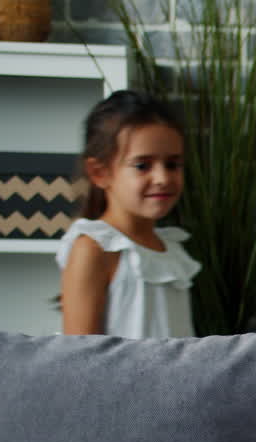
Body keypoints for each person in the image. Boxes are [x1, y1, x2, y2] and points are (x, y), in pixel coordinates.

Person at [57, 90, 200, 338]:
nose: (162, 178)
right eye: (142, 165)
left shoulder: (171, 248)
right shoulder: (93, 250)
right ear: (100, 173)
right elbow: (79, 359)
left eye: (173, 164)